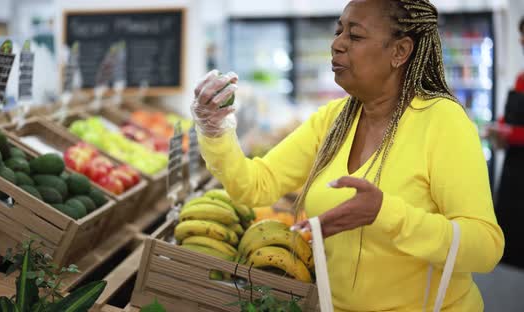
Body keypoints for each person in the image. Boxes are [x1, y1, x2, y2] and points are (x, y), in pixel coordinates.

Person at [191, 0, 504, 311]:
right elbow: (256, 184)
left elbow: (485, 247)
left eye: (355, 36)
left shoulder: (442, 121)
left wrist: (386, 214)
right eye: (338, 32)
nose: (337, 44)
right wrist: (215, 130)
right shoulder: (334, 119)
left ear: (400, 51)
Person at [486, 16, 524, 270]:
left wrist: (508, 133)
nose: (520, 39)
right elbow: (510, 117)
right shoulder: (521, 78)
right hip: (514, 169)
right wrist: (496, 128)